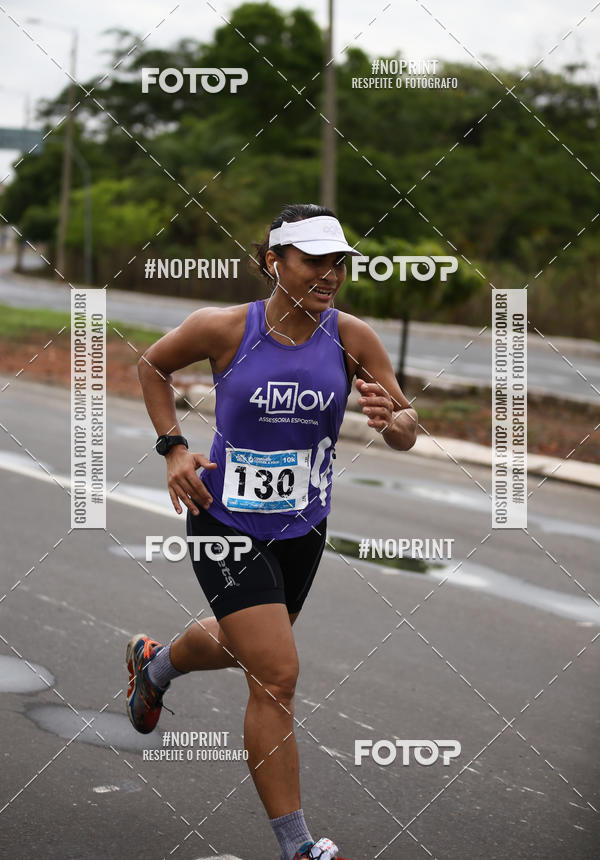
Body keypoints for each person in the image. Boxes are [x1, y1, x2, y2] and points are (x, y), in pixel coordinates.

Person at [125, 203, 418, 860]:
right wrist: (173, 448)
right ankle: (299, 847)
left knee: (243, 646)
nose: (329, 274)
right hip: (222, 516)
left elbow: (404, 428)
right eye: (312, 260)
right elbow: (152, 368)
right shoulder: (225, 328)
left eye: (337, 261)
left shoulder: (353, 337)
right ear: (272, 261)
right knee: (277, 674)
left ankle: (155, 667)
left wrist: (390, 420)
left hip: (303, 527)